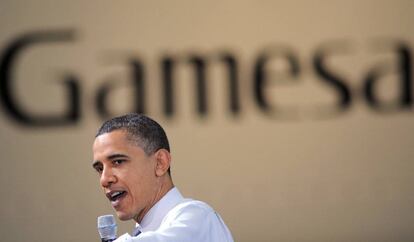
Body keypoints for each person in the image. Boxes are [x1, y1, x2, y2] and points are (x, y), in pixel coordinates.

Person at [92, 113, 234, 242]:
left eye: (118, 161)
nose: (104, 179)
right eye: (99, 169)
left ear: (160, 163)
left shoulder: (198, 218)